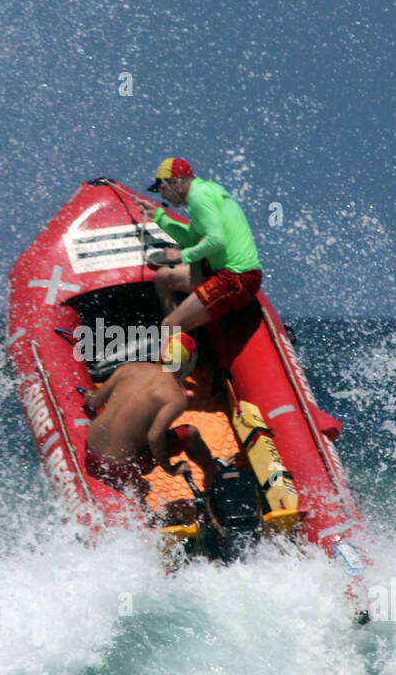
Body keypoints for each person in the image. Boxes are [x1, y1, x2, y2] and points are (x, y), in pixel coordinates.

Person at [132, 157, 263, 332]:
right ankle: (184, 331)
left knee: (168, 326)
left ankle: (179, 339)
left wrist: (181, 256)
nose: (162, 195)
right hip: (225, 272)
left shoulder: (197, 197)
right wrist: (158, 216)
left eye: (162, 188)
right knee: (162, 278)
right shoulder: (205, 190)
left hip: (236, 277)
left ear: (176, 182)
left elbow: (217, 241)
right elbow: (190, 239)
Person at [79, 333, 215, 499]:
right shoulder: (175, 398)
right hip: (119, 466)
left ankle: (135, 481)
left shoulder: (129, 369)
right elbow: (154, 436)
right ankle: (212, 477)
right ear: (186, 363)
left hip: (90, 450)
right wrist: (169, 468)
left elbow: (93, 403)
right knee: (190, 433)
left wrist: (89, 396)